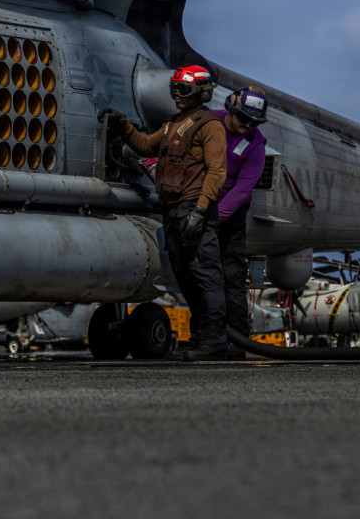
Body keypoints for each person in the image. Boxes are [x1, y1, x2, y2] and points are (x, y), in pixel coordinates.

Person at [102, 65, 228, 361]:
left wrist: (200, 210)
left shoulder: (209, 126)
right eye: (174, 89)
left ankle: (214, 342)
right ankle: (201, 340)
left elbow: (216, 171)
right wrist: (123, 126)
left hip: (195, 209)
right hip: (172, 210)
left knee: (206, 277)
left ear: (199, 93)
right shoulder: (173, 124)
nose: (176, 95)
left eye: (182, 90)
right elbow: (146, 146)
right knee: (186, 277)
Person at [214, 87, 269, 360]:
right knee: (201, 278)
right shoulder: (208, 123)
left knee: (232, 277)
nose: (247, 126)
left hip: (228, 215)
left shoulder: (255, 145)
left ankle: (237, 342)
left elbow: (241, 191)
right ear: (230, 109)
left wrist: (212, 218)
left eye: (254, 122)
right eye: (243, 119)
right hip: (199, 204)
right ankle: (207, 338)